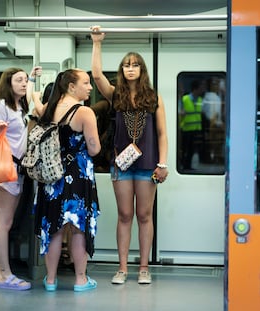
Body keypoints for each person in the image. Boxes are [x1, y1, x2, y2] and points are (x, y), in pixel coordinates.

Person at [91, 25, 169, 285]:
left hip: (148, 165)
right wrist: (97, 43)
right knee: (125, 215)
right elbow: (97, 74)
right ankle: (122, 268)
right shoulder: (115, 96)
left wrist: (163, 163)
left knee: (144, 216)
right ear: (122, 70)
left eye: (135, 64)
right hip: (121, 165)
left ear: (142, 69)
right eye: (126, 65)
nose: (130, 68)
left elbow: (162, 134)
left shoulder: (154, 97)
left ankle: (144, 267)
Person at [32, 68, 101, 292]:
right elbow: (94, 148)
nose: (90, 87)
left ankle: (50, 280)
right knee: (78, 228)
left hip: (52, 176)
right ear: (71, 86)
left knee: (54, 228)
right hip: (78, 175)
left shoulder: (47, 109)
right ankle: (80, 280)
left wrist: (32, 84)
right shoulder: (84, 113)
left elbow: (34, 106)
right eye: (86, 83)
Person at [0, 66, 42, 290]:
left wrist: (30, 76)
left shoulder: (19, 107)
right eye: (19, 80)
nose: (24, 84)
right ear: (8, 84)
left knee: (4, 223)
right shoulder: (1, 106)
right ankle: (5, 275)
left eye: (25, 80)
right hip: (5, 168)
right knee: (4, 223)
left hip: (16, 169)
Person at [180, 79, 205, 169]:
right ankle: (183, 165)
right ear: (195, 89)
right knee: (185, 149)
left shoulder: (200, 99)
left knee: (192, 150)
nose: (203, 89)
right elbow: (179, 112)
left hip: (196, 129)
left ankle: (188, 166)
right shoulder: (185, 99)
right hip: (186, 129)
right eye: (201, 87)